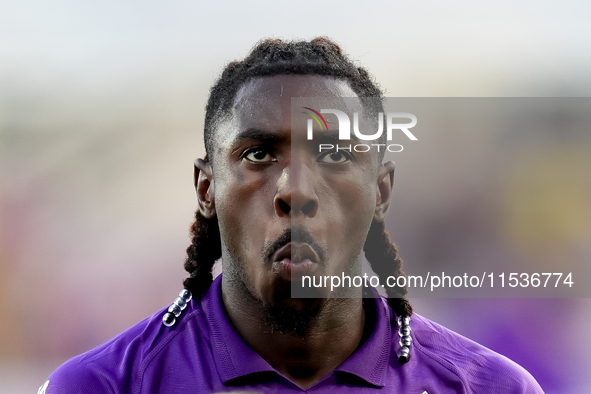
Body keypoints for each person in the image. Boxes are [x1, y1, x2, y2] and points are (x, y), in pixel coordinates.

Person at [40, 38, 544, 393]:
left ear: (380, 193)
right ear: (206, 188)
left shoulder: (491, 387)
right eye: (259, 154)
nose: (295, 189)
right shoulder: (103, 386)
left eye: (334, 155)